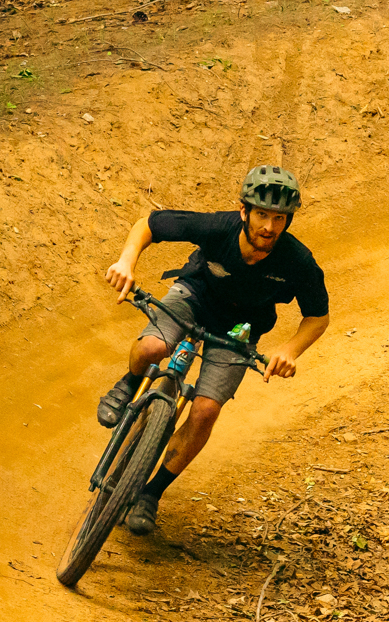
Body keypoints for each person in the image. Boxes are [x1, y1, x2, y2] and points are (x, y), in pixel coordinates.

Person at [94, 165, 331, 537]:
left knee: (205, 410)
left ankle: (150, 494)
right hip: (194, 297)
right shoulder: (217, 228)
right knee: (154, 346)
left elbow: (318, 317)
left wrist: (289, 350)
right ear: (244, 212)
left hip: (242, 327)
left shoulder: (297, 260)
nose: (269, 227)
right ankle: (128, 382)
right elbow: (148, 225)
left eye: (279, 219)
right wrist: (126, 261)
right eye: (262, 215)